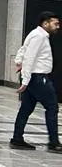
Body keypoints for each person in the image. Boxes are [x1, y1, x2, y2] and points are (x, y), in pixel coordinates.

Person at [11, 11, 62, 152]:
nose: (58, 27)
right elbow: (29, 58)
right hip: (39, 78)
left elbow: (23, 51)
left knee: (26, 108)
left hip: (33, 78)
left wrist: (18, 62)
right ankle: (54, 142)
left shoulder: (36, 34)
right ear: (45, 23)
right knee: (52, 107)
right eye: (55, 24)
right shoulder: (39, 37)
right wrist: (25, 81)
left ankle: (17, 139)